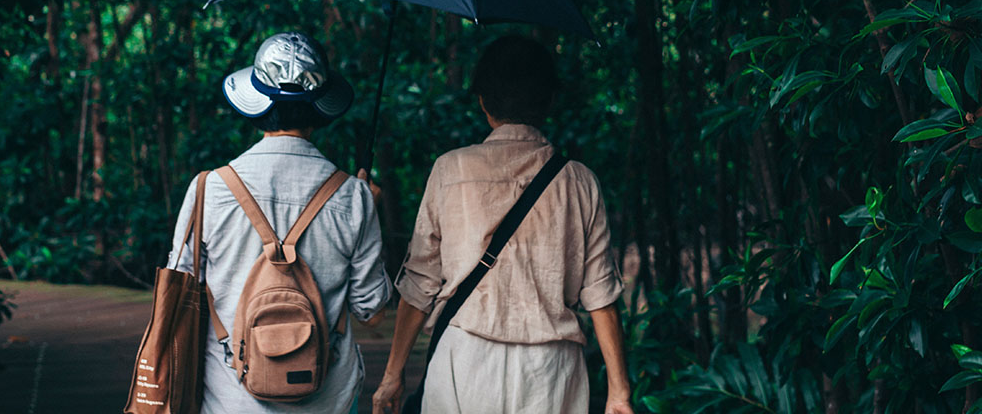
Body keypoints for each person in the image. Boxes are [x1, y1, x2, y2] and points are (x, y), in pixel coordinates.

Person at [372, 35, 634, 414]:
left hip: (464, 361)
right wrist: (618, 392)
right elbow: (601, 296)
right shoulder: (579, 181)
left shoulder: (450, 170)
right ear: (550, 101)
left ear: (482, 101)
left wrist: (392, 375)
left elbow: (419, 283)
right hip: (551, 372)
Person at [169, 31, 391, 414]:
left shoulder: (210, 188)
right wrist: (369, 209)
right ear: (319, 107)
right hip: (327, 399)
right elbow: (371, 313)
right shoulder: (353, 196)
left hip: (230, 399)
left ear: (258, 104)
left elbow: (179, 296)